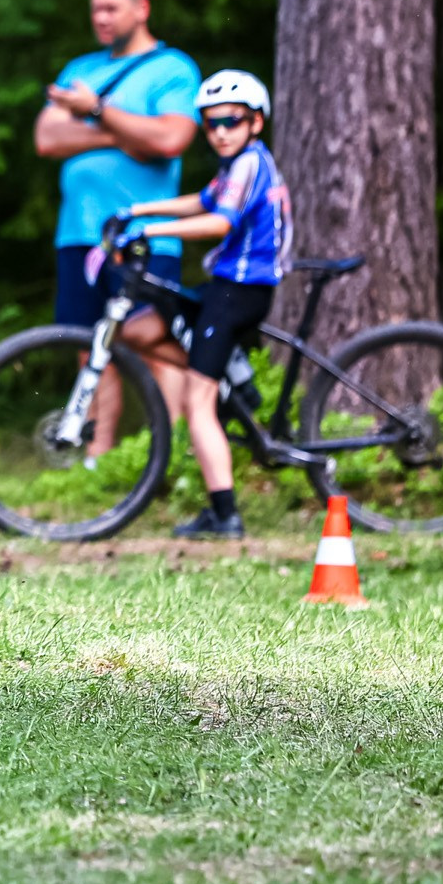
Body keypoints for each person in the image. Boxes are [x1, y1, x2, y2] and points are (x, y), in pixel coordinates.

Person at [117, 70, 292, 539]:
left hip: (238, 293)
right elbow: (201, 201)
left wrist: (148, 233)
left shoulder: (250, 163)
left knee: (198, 401)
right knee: (140, 331)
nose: (219, 131)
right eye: (210, 123)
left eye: (231, 121)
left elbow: (218, 223)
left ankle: (225, 515)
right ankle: (228, 378)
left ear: (255, 122)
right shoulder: (236, 165)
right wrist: (138, 211)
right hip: (224, 288)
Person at [35, 0, 201, 457]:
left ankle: (167, 453)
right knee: (90, 345)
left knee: (150, 339)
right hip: (79, 236)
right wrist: (119, 132)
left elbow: (170, 138)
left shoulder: (171, 69)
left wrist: (95, 111)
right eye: (95, 10)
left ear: (141, 8)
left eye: (111, 8)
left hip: (144, 236)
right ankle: (97, 460)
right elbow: (47, 138)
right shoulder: (80, 71)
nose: (101, 19)